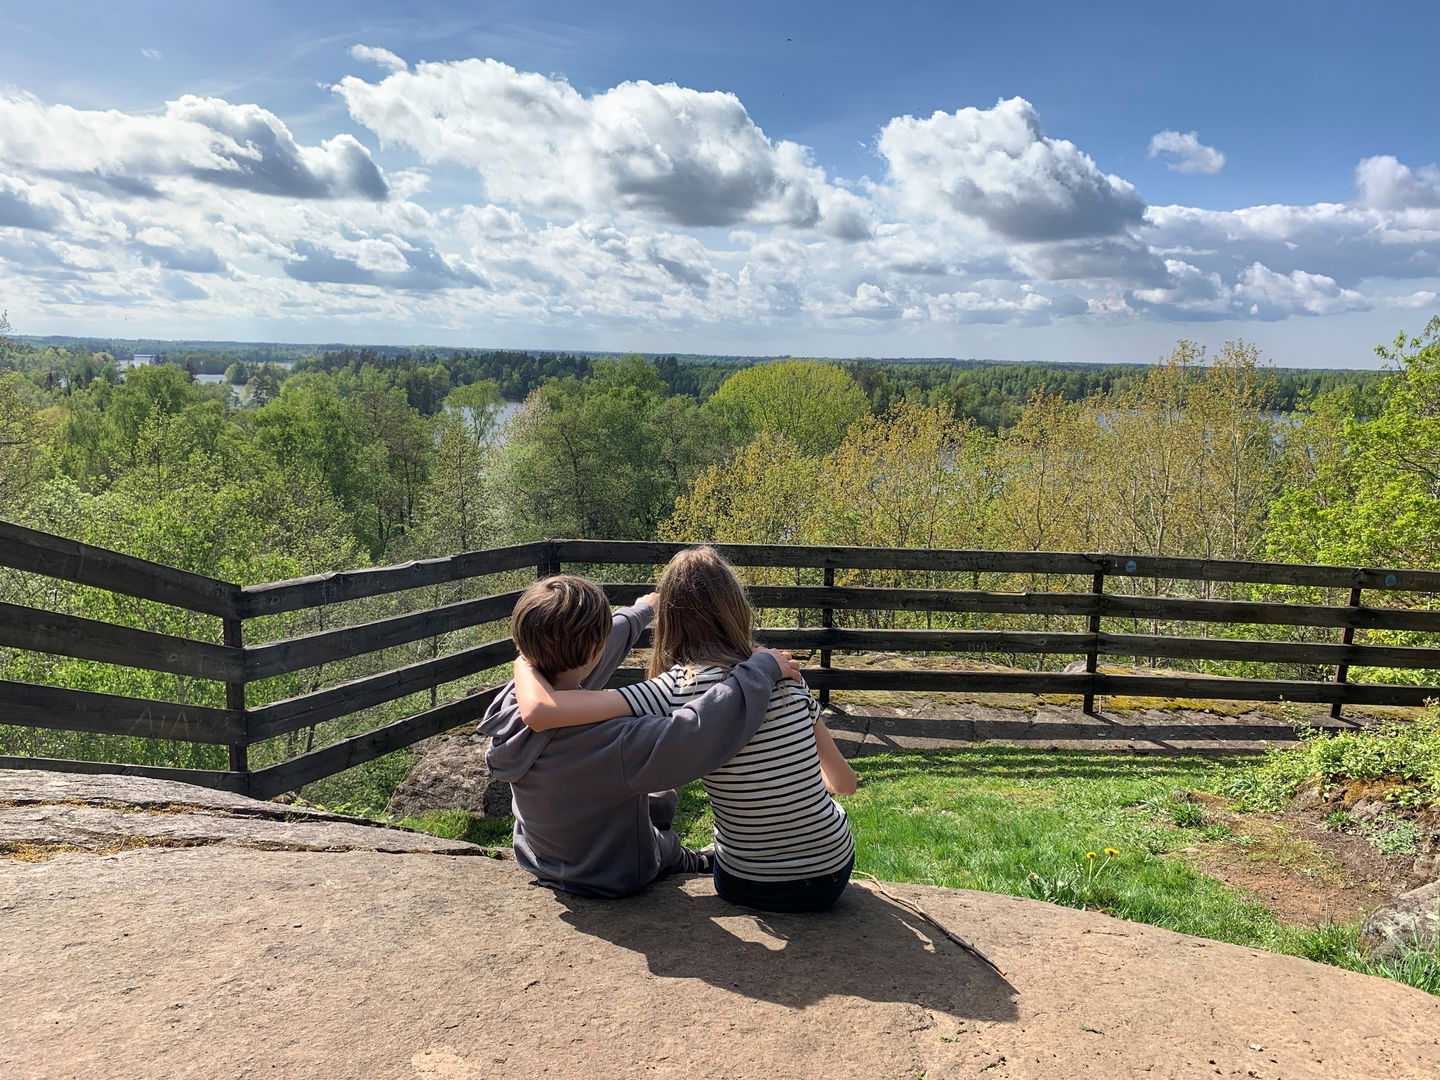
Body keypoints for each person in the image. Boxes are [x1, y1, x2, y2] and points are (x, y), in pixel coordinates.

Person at [512, 547, 858, 913]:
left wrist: (526, 658)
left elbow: (548, 705)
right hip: (830, 873)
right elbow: (845, 784)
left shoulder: (671, 689)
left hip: (745, 881)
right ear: (737, 606)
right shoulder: (788, 677)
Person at [480, 573, 800, 899]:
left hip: (543, 856)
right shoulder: (617, 742)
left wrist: (640, 610)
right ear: (595, 648)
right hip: (612, 871)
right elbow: (697, 731)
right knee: (664, 822)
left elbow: (582, 652)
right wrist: (759, 671)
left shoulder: (513, 704)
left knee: (657, 799)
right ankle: (693, 860)